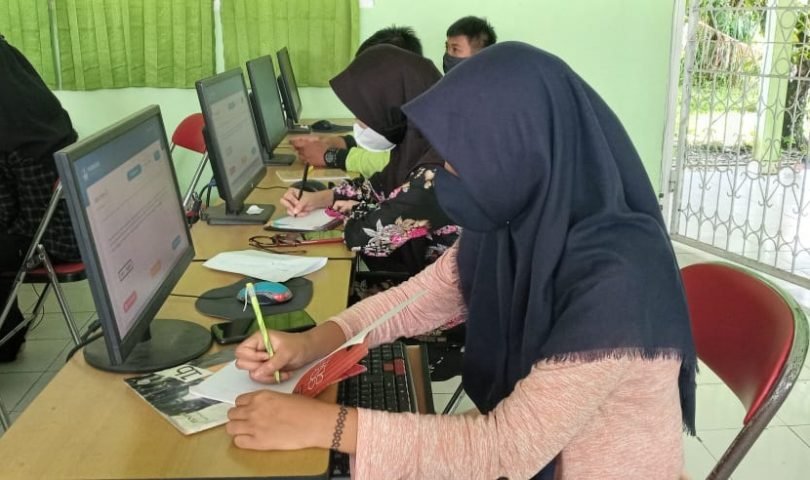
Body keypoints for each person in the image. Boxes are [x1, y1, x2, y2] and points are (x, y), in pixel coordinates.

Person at [226, 42, 696, 479]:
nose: (446, 172)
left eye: (462, 155)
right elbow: (422, 296)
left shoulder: (621, 279)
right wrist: (315, 342)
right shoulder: (522, 217)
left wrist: (324, 426)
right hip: (536, 450)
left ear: (520, 148)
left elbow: (508, 447)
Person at [282, 45, 459, 291]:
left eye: (363, 114)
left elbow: (364, 237)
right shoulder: (420, 143)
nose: (358, 123)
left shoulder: (436, 171)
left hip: (447, 300)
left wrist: (352, 210)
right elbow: (377, 188)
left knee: (325, 292)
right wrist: (321, 198)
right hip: (424, 282)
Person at [0, 35, 80, 362]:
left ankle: (6, 336)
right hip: (75, 230)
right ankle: (7, 334)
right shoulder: (33, 110)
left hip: (48, 242)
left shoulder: (12, 139)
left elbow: (7, 214)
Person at [291, 26, 423, 178]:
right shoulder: (404, 102)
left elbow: (395, 163)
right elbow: (382, 143)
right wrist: (340, 142)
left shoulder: (428, 122)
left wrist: (332, 156)